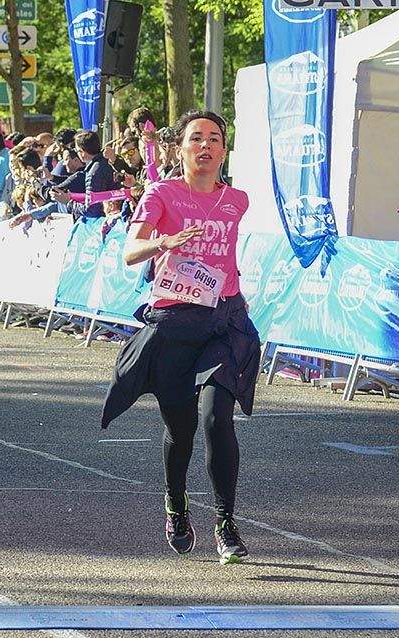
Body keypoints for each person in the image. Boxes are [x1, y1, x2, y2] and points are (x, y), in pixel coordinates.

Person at [101, 110, 261, 565]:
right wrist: (163, 244)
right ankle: (176, 504)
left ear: (224, 150)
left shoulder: (238, 200)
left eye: (214, 138)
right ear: (180, 148)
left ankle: (226, 524)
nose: (205, 146)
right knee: (182, 429)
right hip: (174, 324)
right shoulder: (161, 194)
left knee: (216, 418)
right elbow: (130, 252)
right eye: (196, 138)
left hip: (223, 324)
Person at [52, 130, 117, 218]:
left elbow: (91, 210)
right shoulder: (105, 162)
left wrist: (68, 202)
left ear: (82, 152)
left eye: (77, 150)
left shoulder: (94, 172)